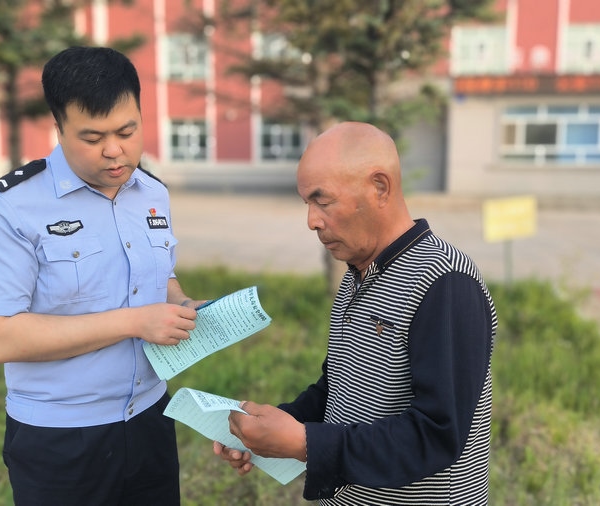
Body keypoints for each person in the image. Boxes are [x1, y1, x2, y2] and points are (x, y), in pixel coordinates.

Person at [0, 46, 206, 505]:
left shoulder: (151, 192)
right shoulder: (11, 206)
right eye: (92, 137)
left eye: (127, 131)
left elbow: (161, 275)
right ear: (58, 128)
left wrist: (180, 303)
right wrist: (135, 322)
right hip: (61, 439)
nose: (114, 151)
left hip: (149, 418)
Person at [213, 122, 497, 504]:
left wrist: (304, 443)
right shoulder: (359, 273)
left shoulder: (445, 282)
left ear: (379, 187)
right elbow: (338, 387)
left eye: (323, 201)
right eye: (307, 203)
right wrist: (269, 430)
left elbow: (436, 435)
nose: (311, 221)